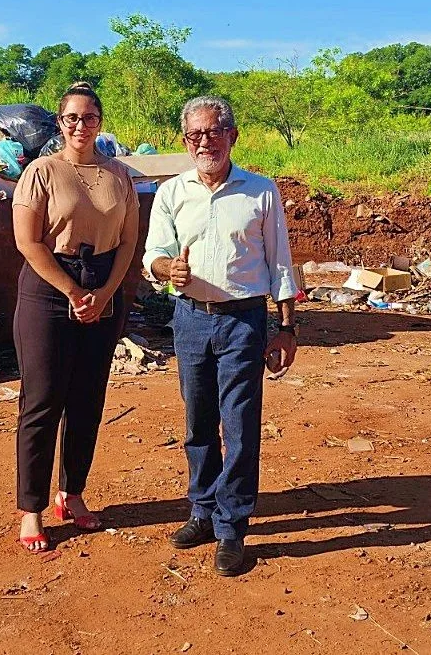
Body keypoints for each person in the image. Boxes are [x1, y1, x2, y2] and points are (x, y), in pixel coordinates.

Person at [143, 96, 298, 576]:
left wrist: (286, 328)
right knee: (198, 421)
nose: (205, 142)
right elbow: (153, 254)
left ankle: (231, 527)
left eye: (214, 132)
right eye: (195, 135)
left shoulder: (261, 191)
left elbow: (280, 264)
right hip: (189, 318)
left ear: (232, 136)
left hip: (243, 321)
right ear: (185, 141)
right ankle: (203, 511)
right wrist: (169, 269)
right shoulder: (172, 192)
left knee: (240, 425)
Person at [12, 82, 139, 552]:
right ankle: (31, 509)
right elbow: (28, 242)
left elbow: (128, 241)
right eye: (72, 118)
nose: (80, 126)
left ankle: (73, 493)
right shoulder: (41, 172)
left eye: (89, 118)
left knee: (87, 398)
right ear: (60, 123)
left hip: (103, 285)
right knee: (43, 400)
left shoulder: (119, 175)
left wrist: (104, 293)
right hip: (49, 288)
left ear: (100, 122)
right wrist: (73, 290)